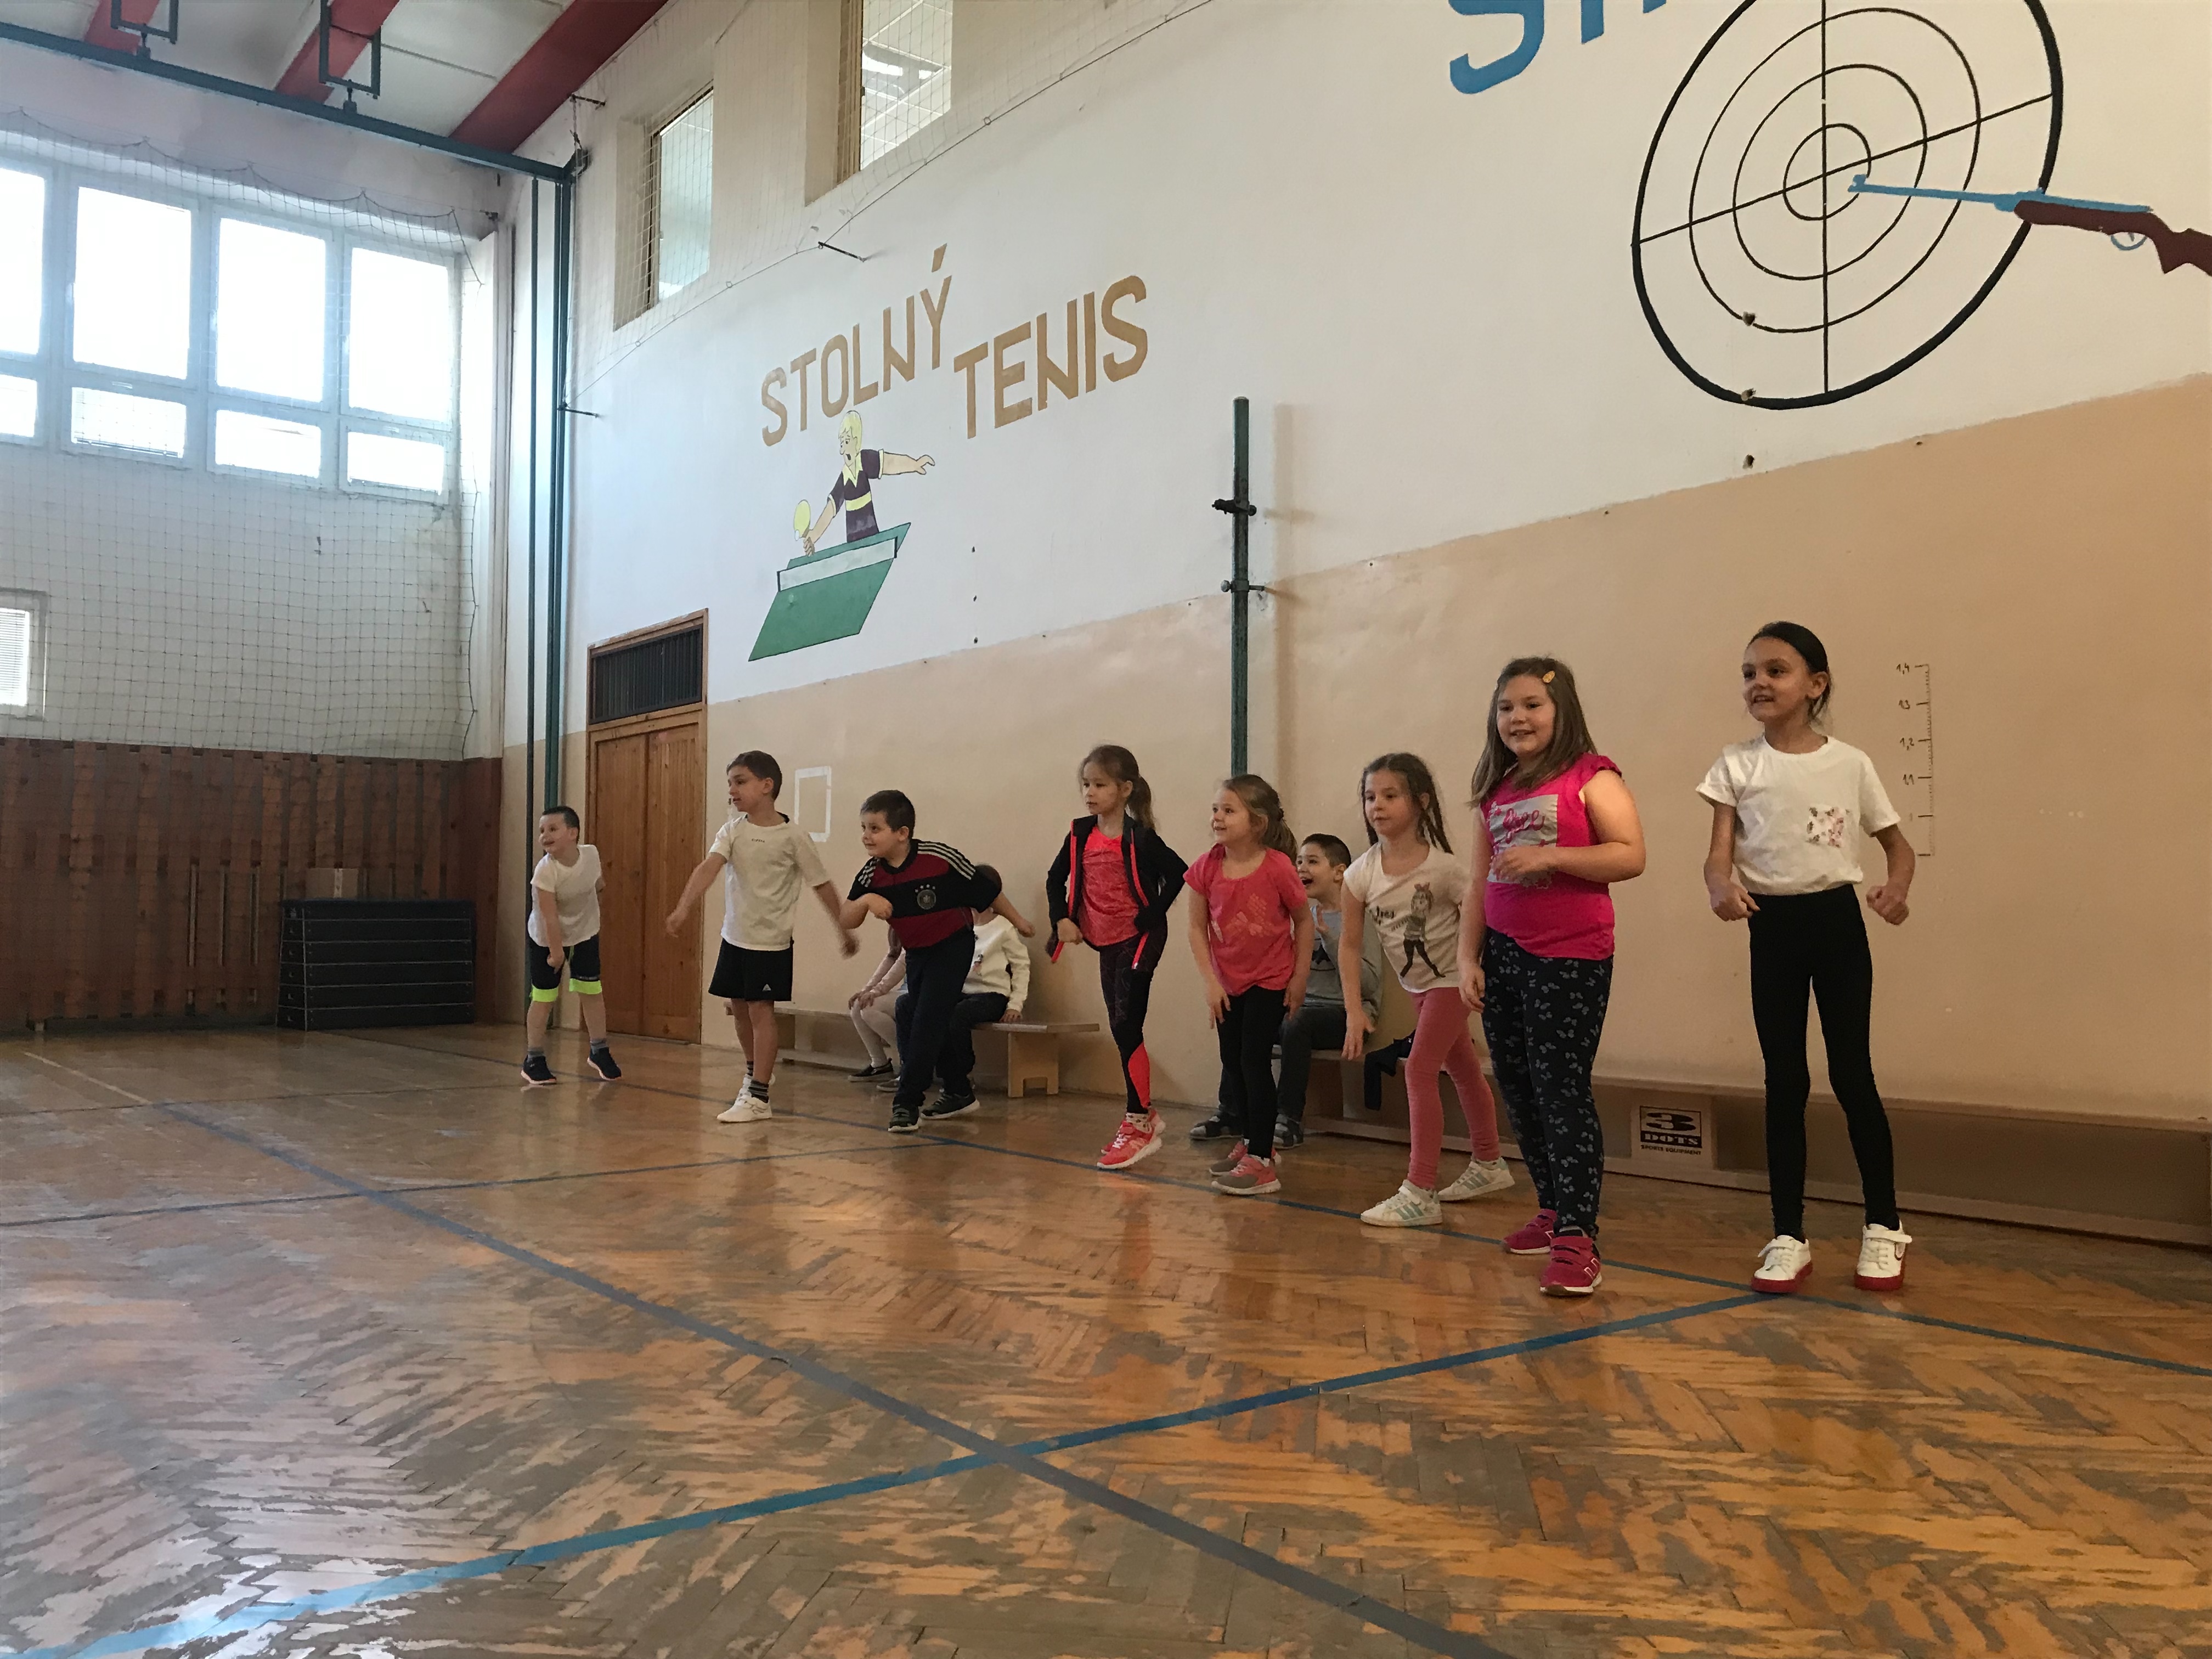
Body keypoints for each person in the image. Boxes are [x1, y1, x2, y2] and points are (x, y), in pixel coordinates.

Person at [1701, 622, 1917, 1295]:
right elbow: (1717, 857)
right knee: (1785, 1080)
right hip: (1773, 929)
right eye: (1749, 673)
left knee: (1852, 1074)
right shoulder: (1736, 766)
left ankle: (1883, 1226)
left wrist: (1897, 890)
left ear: (1815, 684)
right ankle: (1788, 1235)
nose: (1759, 683)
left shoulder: (1850, 764)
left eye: (1776, 670)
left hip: (1836, 924)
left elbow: (1898, 848)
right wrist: (1719, 886)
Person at [1465, 659, 1647, 1297]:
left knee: (1560, 1088)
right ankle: (1551, 1207)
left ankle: (1578, 1234)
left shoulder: (1592, 776)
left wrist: (1551, 856)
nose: (1518, 718)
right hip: (1504, 955)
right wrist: (1468, 958)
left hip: (1569, 955)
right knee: (1518, 1086)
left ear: (1560, 710)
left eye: (1532, 705)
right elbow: (1479, 881)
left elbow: (1630, 854)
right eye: (1506, 708)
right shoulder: (1496, 791)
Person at [1341, 754, 1510, 1227]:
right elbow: (1349, 946)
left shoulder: (1446, 870)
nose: (1377, 806)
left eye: (1390, 796)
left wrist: (1475, 970)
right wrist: (1353, 1009)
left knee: (1418, 1069)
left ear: (1421, 802)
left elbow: (1479, 919)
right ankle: (1489, 1162)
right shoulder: (1360, 875)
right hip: (1417, 986)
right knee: (1462, 1068)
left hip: (1450, 982)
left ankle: (1420, 1191)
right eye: (1370, 797)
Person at [665, 751, 856, 1123]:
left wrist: (842, 929)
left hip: (770, 943)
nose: (732, 791)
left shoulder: (794, 837)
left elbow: (822, 886)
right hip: (734, 937)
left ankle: (759, 1098)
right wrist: (684, 907)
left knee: (760, 1011)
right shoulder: (732, 831)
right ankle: (754, 1075)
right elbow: (708, 868)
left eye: (740, 782)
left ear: (767, 786)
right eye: (730, 784)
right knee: (738, 1007)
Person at [1045, 744, 1188, 1172]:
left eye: (1100, 785)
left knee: (1128, 1025)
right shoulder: (1080, 834)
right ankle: (1145, 1111)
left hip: (1139, 938)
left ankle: (1138, 1121)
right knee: (1120, 1024)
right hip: (1106, 941)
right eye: (1086, 784)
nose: (1089, 793)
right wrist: (1061, 919)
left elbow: (1178, 872)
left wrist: (1152, 914)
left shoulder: (1140, 837)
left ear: (1125, 789)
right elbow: (1056, 878)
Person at [839, 790, 1005, 1134]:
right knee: (912, 1010)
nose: (866, 836)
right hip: (918, 954)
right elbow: (847, 918)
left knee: (928, 1019)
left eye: (875, 829)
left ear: (902, 833)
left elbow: (986, 891)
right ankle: (958, 1090)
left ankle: (906, 1102)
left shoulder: (938, 857)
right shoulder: (872, 874)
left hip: (953, 947)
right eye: (863, 828)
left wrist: (1020, 922)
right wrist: (867, 900)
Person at [1185, 775, 1311, 1196]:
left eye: (1229, 810)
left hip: (1269, 979)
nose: (1217, 817)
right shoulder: (1206, 867)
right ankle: (1253, 1141)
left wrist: (1299, 978)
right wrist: (1210, 983)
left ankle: (1262, 1161)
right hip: (1228, 983)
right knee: (1233, 1060)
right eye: (1215, 810)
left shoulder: (1277, 866)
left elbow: (1304, 922)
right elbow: (1196, 928)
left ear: (1257, 822)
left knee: (1253, 1060)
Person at [1269, 833, 1385, 1149]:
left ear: (1339, 872)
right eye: (1299, 862)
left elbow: (1370, 984)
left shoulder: (1359, 919)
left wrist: (1332, 942)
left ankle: (1288, 1119)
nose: (1302, 868)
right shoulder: (1302, 919)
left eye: (1312, 861)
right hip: (1302, 1009)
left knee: (1298, 1023)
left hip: (1347, 1016)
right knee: (1243, 1017)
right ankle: (1235, 1111)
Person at [921, 870, 1035, 1120]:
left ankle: (960, 1074)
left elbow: (1021, 966)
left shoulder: (1003, 927)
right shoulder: (961, 924)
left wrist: (1015, 1004)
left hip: (992, 995)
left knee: (957, 1016)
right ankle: (927, 1074)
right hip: (963, 991)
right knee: (925, 1009)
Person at [521, 805, 618, 1086]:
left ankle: (599, 1050)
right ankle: (534, 1058)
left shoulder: (591, 854)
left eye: (553, 829)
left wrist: (593, 915)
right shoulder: (545, 871)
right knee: (544, 998)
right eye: (542, 831)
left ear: (573, 833)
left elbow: (599, 885)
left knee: (592, 991)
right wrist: (555, 953)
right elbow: (549, 917)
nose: (545, 835)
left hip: (584, 934)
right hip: (547, 939)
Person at [847, 950, 905, 1086]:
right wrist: (867, 990)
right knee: (859, 1005)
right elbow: (892, 956)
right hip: (906, 990)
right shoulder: (897, 937)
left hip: (923, 991)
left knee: (870, 1008)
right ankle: (880, 1064)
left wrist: (876, 991)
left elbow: (903, 963)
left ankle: (909, 1061)